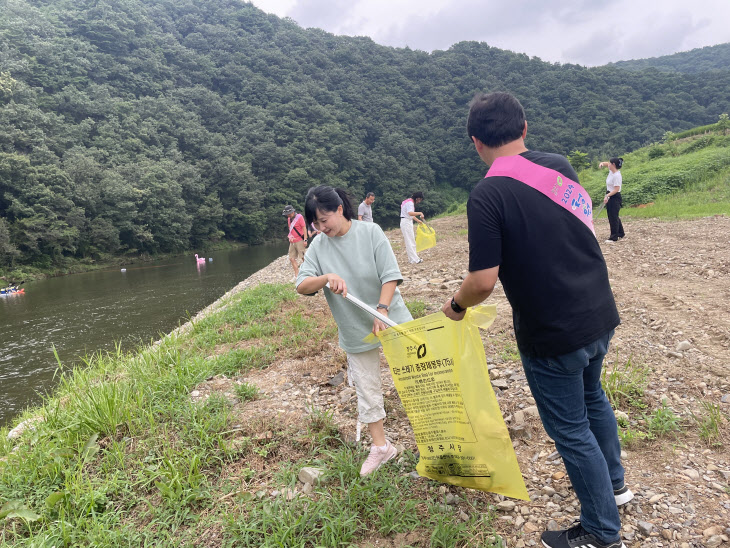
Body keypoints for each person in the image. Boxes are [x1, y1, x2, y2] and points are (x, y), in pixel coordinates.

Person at [441, 92, 630, 548]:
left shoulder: (486, 195)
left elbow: (483, 281)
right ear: (524, 128)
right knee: (594, 399)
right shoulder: (559, 167)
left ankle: (602, 533)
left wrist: (456, 305)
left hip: (552, 330)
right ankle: (617, 488)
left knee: (570, 428)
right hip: (598, 311)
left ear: (475, 143)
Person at [296, 185, 413, 476]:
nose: (322, 228)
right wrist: (326, 277)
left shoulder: (370, 232)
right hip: (353, 326)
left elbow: (390, 275)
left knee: (416, 373)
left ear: (339, 210)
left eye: (326, 220)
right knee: (366, 386)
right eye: (316, 224)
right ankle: (380, 447)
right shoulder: (319, 247)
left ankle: (439, 434)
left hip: (389, 314)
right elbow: (301, 286)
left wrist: (382, 311)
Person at [598, 158, 625, 242]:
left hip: (614, 196)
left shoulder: (617, 175)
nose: (608, 164)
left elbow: (616, 189)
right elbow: (606, 163)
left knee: (613, 217)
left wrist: (607, 196)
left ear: (613, 164)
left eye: (610, 163)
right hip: (609, 194)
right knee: (614, 215)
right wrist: (602, 163)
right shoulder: (611, 171)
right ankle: (621, 233)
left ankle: (614, 237)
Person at [400, 191, 425, 264]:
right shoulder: (410, 203)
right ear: (417, 198)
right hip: (406, 222)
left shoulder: (407, 201)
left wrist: (417, 220)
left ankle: (413, 259)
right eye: (420, 199)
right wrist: (420, 213)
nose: (419, 201)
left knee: (411, 241)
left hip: (406, 221)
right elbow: (410, 213)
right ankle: (414, 260)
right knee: (410, 241)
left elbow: (410, 215)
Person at [283, 205, 306, 279]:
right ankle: (297, 275)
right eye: (287, 214)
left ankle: (309, 273)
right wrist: (290, 237)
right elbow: (291, 230)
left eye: (289, 214)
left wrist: (305, 239)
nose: (288, 215)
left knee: (303, 257)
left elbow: (304, 228)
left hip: (300, 240)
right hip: (292, 241)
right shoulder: (289, 219)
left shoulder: (299, 217)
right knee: (291, 258)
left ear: (293, 212)